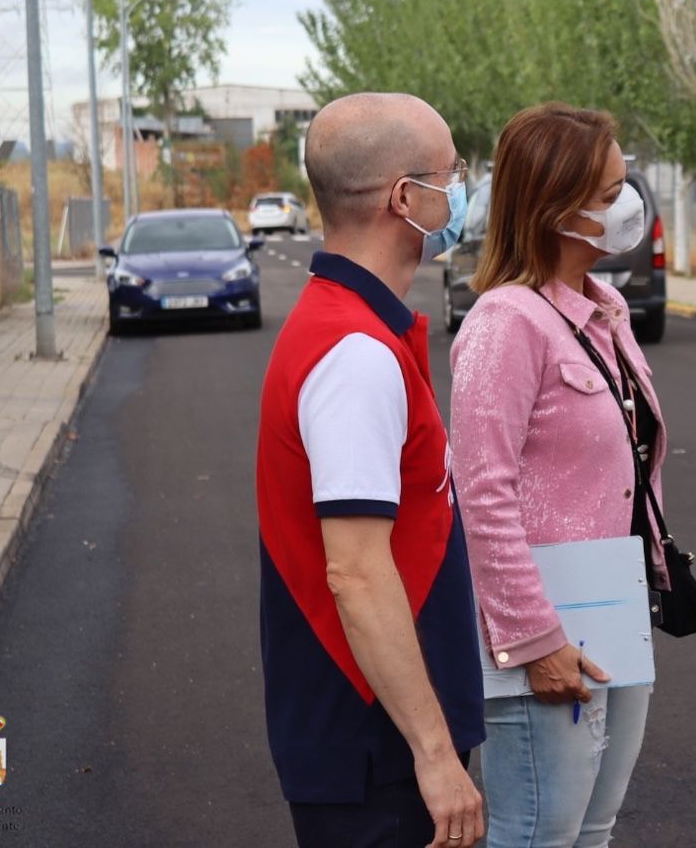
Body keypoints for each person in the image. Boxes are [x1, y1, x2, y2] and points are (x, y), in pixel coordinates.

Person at [257, 92, 486, 848]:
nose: (459, 192)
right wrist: (435, 754)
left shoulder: (350, 326)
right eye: (451, 174)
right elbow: (355, 572)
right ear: (404, 198)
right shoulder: (353, 352)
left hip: (375, 739)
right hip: (375, 750)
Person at [449, 103, 666, 848]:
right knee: (538, 835)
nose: (627, 205)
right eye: (609, 194)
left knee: (592, 832)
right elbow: (482, 494)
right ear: (555, 208)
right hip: (547, 631)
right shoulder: (505, 322)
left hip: (614, 613)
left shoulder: (604, 310)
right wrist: (533, 638)